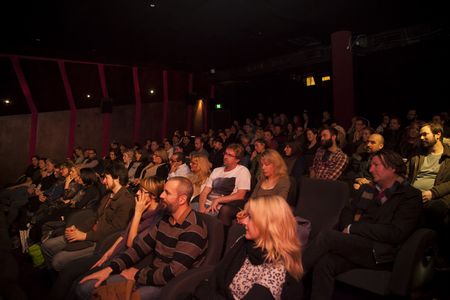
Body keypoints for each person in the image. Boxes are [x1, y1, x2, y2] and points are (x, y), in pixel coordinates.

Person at [302, 150, 422, 300]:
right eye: (371, 165)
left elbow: (395, 233)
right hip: (357, 243)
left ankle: (290, 276)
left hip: (380, 252)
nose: (371, 169)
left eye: (376, 165)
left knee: (328, 236)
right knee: (325, 263)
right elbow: (348, 210)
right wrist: (348, 227)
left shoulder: (410, 196)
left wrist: (353, 228)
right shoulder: (369, 188)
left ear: (392, 168)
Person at [76, 176, 208, 300]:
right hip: (149, 275)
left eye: (167, 193)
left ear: (182, 199)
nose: (161, 196)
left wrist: (137, 275)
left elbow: (172, 273)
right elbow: (139, 249)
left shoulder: (193, 229)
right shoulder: (166, 220)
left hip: (169, 286)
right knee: (86, 287)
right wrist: (110, 269)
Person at [47, 176, 165, 300]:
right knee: (70, 271)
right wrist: (107, 253)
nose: (137, 193)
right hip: (112, 253)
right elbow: (123, 235)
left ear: (152, 195)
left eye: (141, 191)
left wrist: (138, 213)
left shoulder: (155, 218)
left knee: (80, 283)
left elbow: (132, 245)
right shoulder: (140, 208)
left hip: (125, 260)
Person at [193, 195, 303, 300]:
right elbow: (216, 277)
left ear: (267, 224)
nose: (243, 221)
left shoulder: (277, 267)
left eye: (250, 217)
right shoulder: (244, 242)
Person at [41, 162, 134, 271]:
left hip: (99, 242)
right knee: (47, 246)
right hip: (88, 232)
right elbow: (95, 217)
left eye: (106, 178)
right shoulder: (108, 195)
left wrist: (85, 236)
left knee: (58, 260)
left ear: (117, 178)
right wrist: (78, 229)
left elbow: (115, 231)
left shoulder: (126, 200)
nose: (103, 181)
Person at [407, 123, 450, 268]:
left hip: (438, 196)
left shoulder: (448, 156)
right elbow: (407, 176)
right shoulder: (417, 154)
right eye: (420, 134)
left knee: (434, 210)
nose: (421, 137)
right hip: (413, 195)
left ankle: (435, 255)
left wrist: (433, 192)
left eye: (425, 134)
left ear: (438, 135)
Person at [199, 144, 251, 226]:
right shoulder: (216, 170)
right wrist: (201, 207)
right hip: (206, 204)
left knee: (203, 220)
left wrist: (218, 200)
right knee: (186, 211)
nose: (225, 157)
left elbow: (240, 195)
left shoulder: (243, 171)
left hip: (220, 207)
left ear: (237, 159)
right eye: (225, 154)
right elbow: (204, 192)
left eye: (230, 155)